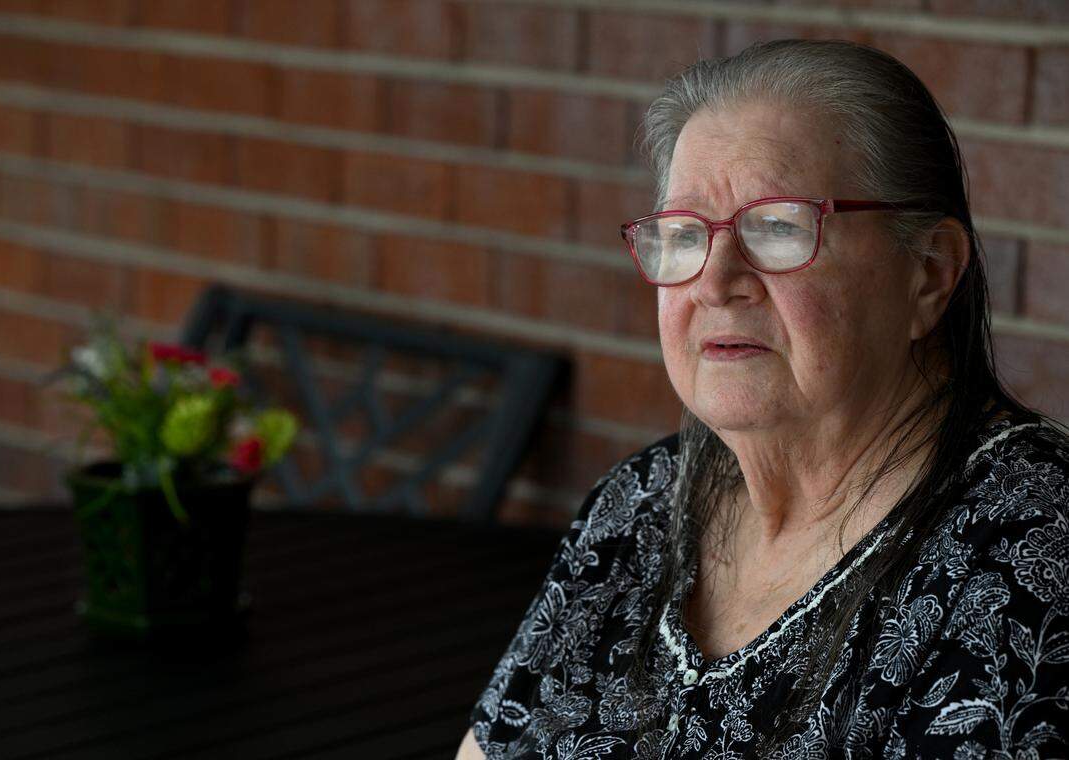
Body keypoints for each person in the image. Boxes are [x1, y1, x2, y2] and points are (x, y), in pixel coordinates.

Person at [455, 39, 1069, 759]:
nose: (714, 280)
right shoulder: (643, 500)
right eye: (684, 234)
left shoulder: (1031, 550)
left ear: (929, 273)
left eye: (778, 227)